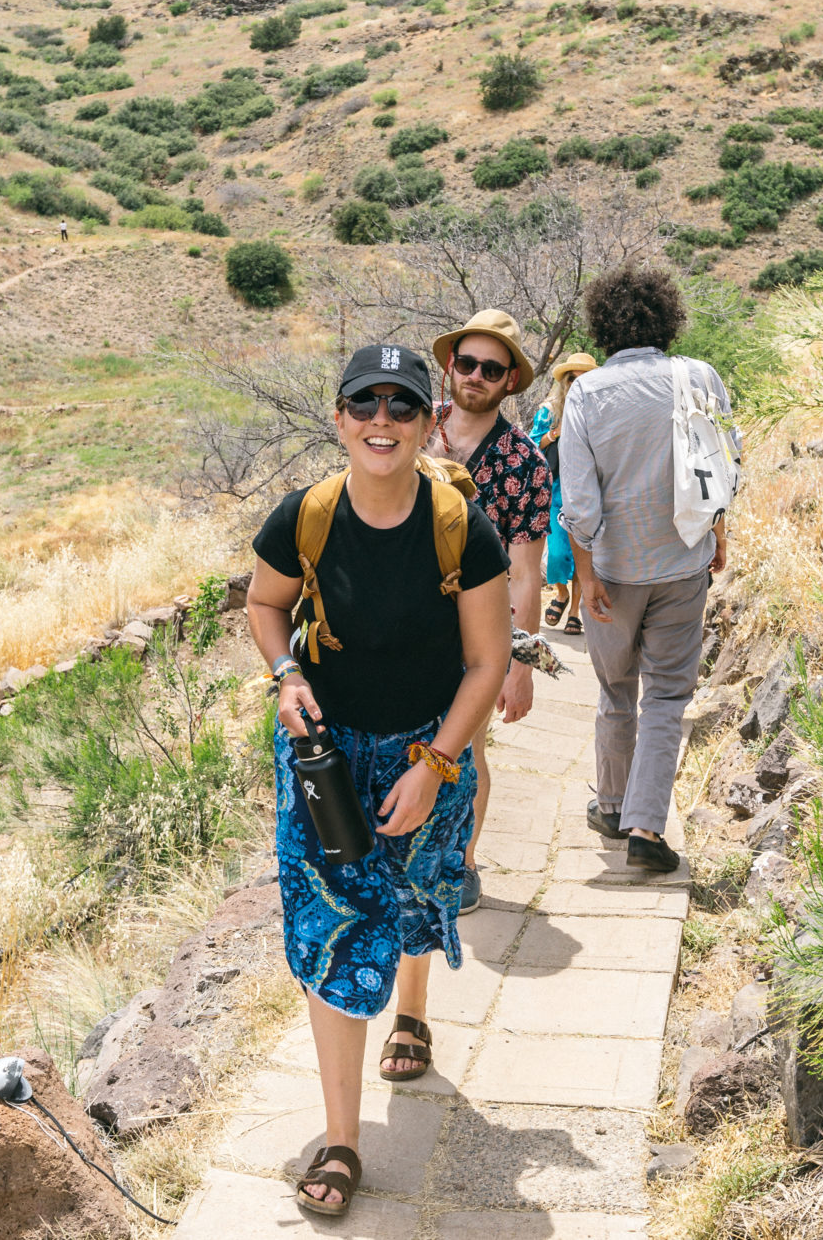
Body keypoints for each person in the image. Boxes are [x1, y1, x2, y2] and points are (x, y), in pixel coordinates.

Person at [247, 344, 510, 1217]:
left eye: (403, 406)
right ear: (339, 418)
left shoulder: (458, 527)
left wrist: (438, 767)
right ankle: (343, 1140)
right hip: (325, 760)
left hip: (424, 751)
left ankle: (413, 1010)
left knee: (414, 895)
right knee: (330, 926)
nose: (383, 422)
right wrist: (287, 674)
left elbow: (487, 660)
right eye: (367, 404)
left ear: (427, 420)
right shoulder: (306, 518)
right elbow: (263, 603)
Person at [560, 266, 730, 875]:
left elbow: (579, 504)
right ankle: (645, 827)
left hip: (613, 572)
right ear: (668, 318)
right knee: (665, 696)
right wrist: (717, 534)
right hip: (683, 563)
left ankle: (610, 805)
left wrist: (586, 575)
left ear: (603, 324)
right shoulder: (700, 378)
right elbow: (722, 468)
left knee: (614, 691)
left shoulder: (585, 393)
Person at [425, 310, 550, 914]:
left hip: (477, 632)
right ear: (451, 366)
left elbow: (528, 570)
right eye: (466, 363)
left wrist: (520, 664)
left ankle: (462, 863)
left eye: (490, 368)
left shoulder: (523, 461)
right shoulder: (411, 427)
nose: (474, 375)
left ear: (509, 381)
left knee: (464, 752)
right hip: (396, 620)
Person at [530, 352, 597, 637]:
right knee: (558, 553)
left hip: (586, 486)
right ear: (565, 382)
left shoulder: (599, 409)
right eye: (573, 378)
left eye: (584, 379)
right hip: (556, 487)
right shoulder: (549, 409)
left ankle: (574, 613)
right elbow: (532, 443)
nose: (577, 384)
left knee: (583, 552)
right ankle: (560, 593)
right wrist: (554, 433)